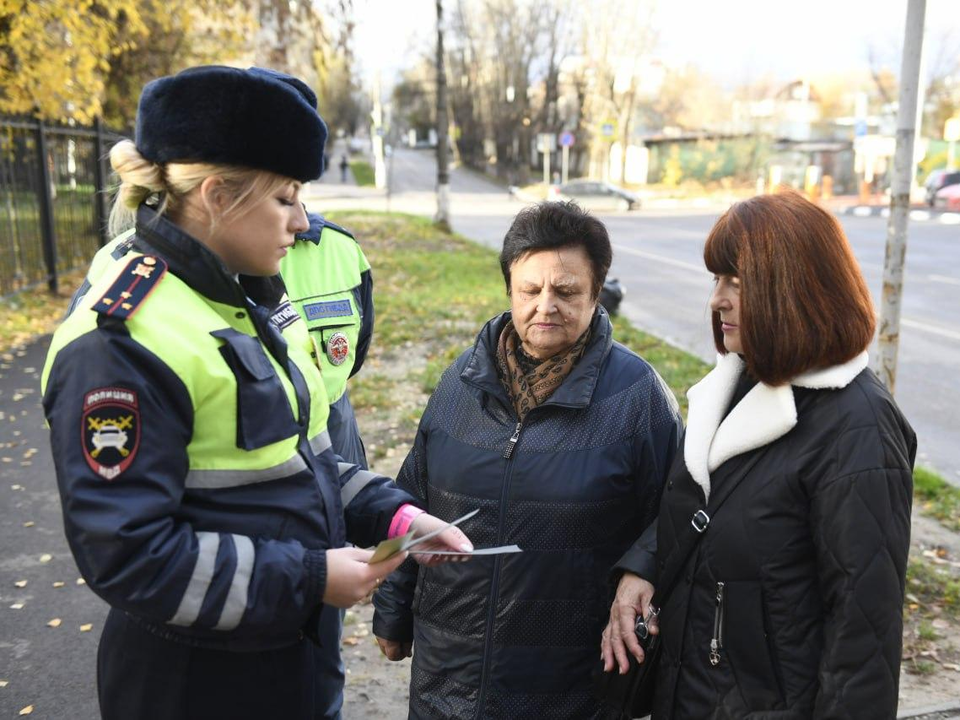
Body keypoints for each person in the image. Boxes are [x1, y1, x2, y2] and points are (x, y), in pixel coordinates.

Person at [40, 65, 472, 720]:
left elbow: (294, 457)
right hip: (195, 683)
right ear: (216, 195)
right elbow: (128, 556)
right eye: (285, 198)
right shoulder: (124, 338)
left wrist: (393, 517)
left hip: (282, 658)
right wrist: (311, 578)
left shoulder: (245, 294)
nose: (302, 222)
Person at [602, 191, 916, 719]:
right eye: (717, 280)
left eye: (737, 283)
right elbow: (710, 503)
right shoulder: (735, 385)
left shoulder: (858, 427)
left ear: (793, 290)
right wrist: (643, 567)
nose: (716, 300)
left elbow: (863, 632)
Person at [372, 201, 683, 719]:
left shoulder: (636, 397)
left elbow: (674, 517)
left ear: (596, 292)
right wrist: (391, 609)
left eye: (566, 291)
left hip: (568, 686)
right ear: (509, 289)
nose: (546, 306)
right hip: (447, 677)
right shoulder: (462, 382)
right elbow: (413, 500)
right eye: (530, 290)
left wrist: (640, 573)